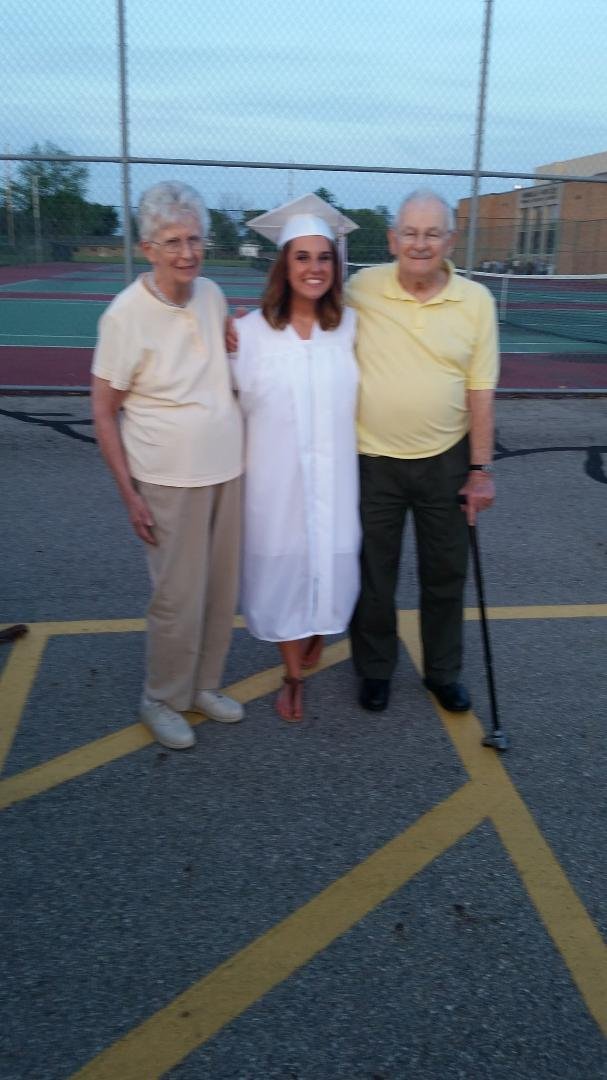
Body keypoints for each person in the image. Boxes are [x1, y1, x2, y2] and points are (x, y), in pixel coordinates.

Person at [91, 181, 244, 750]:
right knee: (177, 598)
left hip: (227, 469)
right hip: (166, 477)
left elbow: (223, 358)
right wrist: (129, 494)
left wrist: (235, 331)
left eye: (195, 239)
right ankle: (160, 697)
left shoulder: (212, 294)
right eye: (173, 241)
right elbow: (103, 411)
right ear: (148, 248)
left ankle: (202, 685)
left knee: (220, 592)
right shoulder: (125, 316)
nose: (187, 253)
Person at [347, 190, 499, 714]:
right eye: (410, 233)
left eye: (432, 233)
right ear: (392, 240)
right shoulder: (361, 288)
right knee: (373, 576)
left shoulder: (476, 302)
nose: (420, 243)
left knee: (446, 574)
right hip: (373, 460)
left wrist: (480, 470)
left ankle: (442, 672)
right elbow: (308, 314)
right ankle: (374, 670)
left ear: (450, 241)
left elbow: (481, 391)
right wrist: (247, 327)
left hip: (446, 460)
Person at [231, 194, 361, 721]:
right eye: (302, 257)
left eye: (323, 257)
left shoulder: (350, 328)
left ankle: (317, 629)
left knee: (331, 562)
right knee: (283, 571)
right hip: (277, 484)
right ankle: (291, 675)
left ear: (336, 265)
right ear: (283, 266)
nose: (314, 268)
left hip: (335, 481)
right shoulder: (248, 334)